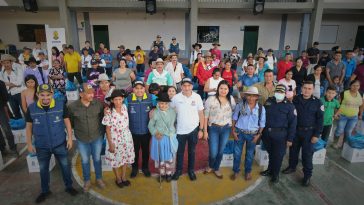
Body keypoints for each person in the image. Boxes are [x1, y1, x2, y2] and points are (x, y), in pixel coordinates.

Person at [25, 84, 78, 203]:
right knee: (43, 170)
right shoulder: (31, 108)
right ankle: (45, 191)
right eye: (42, 95)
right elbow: (28, 127)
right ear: (37, 95)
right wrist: (29, 143)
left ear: (52, 94)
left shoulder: (60, 105)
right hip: (41, 146)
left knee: (65, 166)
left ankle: (69, 186)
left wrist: (70, 139)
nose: (45, 98)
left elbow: (67, 123)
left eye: (48, 95)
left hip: (60, 144)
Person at [282, 81, 324, 187]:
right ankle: (292, 167)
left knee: (307, 155)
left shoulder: (318, 102)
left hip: (309, 133)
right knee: (293, 151)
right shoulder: (295, 99)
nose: (306, 90)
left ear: (313, 90)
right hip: (296, 131)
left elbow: (320, 120)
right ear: (302, 88)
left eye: (309, 88)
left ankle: (307, 175)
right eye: (305, 88)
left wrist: (316, 134)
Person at [68, 83, 106, 192]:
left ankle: (99, 179)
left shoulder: (98, 104)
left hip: (97, 137)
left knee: (97, 159)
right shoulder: (72, 107)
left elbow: (102, 119)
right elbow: (71, 123)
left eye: (92, 93)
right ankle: (87, 180)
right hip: (82, 138)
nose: (91, 95)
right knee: (85, 160)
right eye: (88, 93)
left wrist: (101, 134)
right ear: (81, 94)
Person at [260, 84, 297, 183]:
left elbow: (293, 124)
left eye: (281, 92)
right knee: (271, 153)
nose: (279, 94)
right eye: (277, 91)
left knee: (278, 156)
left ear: (285, 93)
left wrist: (290, 139)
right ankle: (270, 170)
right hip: (267, 134)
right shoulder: (269, 101)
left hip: (281, 135)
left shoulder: (289, 106)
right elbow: (262, 116)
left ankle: (275, 175)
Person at [171, 78, 204, 181]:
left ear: (192, 86)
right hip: (180, 131)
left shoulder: (197, 97)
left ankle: (191, 170)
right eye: (184, 86)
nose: (186, 88)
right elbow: (171, 112)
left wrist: (201, 129)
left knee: (192, 151)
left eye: (188, 85)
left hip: (194, 130)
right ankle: (178, 170)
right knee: (179, 152)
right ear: (181, 87)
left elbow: (201, 114)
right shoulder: (176, 98)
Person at [231, 86, 266, 181]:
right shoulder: (240, 105)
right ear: (246, 96)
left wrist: (258, 135)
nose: (251, 98)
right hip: (239, 132)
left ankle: (248, 171)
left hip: (253, 135)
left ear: (256, 97)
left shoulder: (261, 108)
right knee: (237, 153)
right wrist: (233, 131)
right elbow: (234, 118)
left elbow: (262, 123)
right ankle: (236, 170)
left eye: (253, 96)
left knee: (250, 154)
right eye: (249, 96)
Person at [203, 80, 236, 179]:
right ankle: (211, 165)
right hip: (213, 128)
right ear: (218, 89)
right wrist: (205, 131)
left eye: (225, 88)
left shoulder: (231, 99)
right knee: (213, 152)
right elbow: (205, 116)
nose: (223, 90)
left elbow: (234, 114)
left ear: (228, 90)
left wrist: (232, 127)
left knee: (220, 151)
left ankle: (216, 168)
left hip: (226, 128)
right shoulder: (211, 99)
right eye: (221, 88)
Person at [103, 89, 135, 188]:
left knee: (125, 158)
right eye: (115, 99)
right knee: (116, 160)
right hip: (114, 139)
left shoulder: (125, 107)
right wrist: (110, 143)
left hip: (126, 137)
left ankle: (124, 177)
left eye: (120, 99)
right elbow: (107, 129)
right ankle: (118, 178)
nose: (118, 102)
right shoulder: (108, 111)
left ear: (123, 99)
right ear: (112, 100)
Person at [126, 81, 157, 178]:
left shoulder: (151, 98)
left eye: (141, 88)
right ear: (133, 90)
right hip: (133, 131)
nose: (139, 90)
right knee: (134, 151)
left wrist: (155, 109)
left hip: (146, 131)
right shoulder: (128, 99)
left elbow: (162, 103)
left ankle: (145, 167)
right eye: (136, 88)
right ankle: (134, 168)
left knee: (145, 150)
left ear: (145, 89)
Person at [148, 92, 177, 182]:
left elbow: (171, 125)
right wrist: (155, 133)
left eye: (165, 103)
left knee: (168, 157)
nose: (163, 105)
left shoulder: (172, 112)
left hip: (168, 138)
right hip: (158, 138)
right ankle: (162, 174)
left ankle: (168, 173)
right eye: (161, 103)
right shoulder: (155, 112)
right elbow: (150, 125)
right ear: (158, 103)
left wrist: (163, 132)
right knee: (160, 157)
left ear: (168, 103)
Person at [332, 80, 364, 149]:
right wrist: (336, 113)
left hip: (354, 117)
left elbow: (362, 105)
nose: (355, 87)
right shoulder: (344, 93)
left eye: (357, 86)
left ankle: (344, 145)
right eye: (354, 85)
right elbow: (337, 104)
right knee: (339, 130)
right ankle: (334, 143)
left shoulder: (361, 94)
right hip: (342, 115)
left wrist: (360, 114)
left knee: (348, 132)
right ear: (350, 86)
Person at [0, 54, 24, 119]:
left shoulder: (18, 68)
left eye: (7, 62)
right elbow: (2, 84)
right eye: (4, 63)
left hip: (20, 92)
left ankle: (29, 125)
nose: (6, 65)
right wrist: (13, 84)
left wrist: (7, 84)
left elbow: (19, 82)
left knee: (25, 110)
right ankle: (19, 124)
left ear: (11, 62)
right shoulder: (1, 72)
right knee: (15, 112)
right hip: (9, 94)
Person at [0, 79, 18, 158]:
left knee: (6, 129)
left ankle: (13, 149)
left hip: (1, 108)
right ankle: (2, 149)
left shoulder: (1, 83)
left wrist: (4, 106)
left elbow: (6, 97)